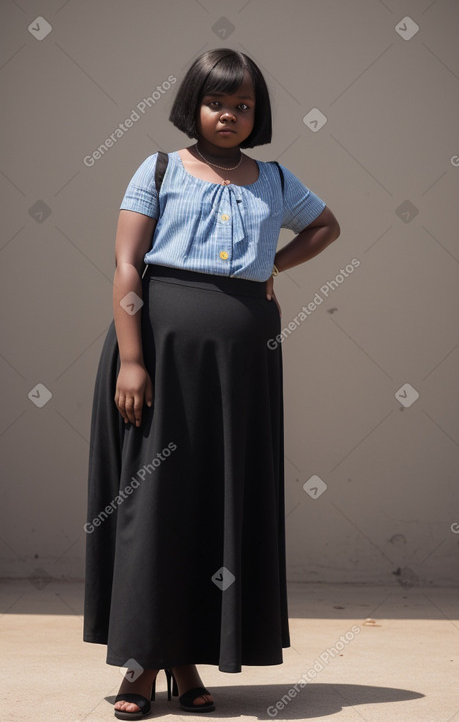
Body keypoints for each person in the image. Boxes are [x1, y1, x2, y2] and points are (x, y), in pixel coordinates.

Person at [83, 48, 340, 720]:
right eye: (217, 102)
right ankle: (139, 666)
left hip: (242, 364)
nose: (229, 114)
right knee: (154, 504)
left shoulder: (275, 178)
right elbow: (126, 265)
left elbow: (325, 227)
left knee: (215, 506)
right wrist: (133, 361)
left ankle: (188, 660)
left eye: (243, 105)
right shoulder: (161, 167)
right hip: (160, 355)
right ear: (192, 105)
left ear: (257, 113)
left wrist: (270, 269)